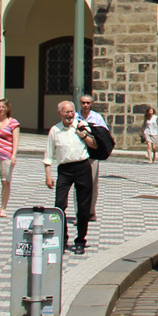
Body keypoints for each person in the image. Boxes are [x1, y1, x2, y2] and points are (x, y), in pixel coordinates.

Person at [44, 100, 97, 255]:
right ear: (59, 113)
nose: (70, 115)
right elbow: (48, 154)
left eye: (72, 111)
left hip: (82, 167)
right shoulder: (55, 130)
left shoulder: (81, 125)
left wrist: (84, 135)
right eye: (66, 112)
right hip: (65, 169)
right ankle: (63, 237)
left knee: (83, 208)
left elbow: (94, 144)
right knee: (59, 205)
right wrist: (48, 175)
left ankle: (80, 240)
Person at [76, 94, 107, 220]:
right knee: (79, 185)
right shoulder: (75, 117)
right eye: (83, 102)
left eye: (88, 103)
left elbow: (104, 133)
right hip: (78, 154)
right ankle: (80, 213)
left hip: (92, 154)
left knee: (93, 184)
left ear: (91, 104)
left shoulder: (97, 117)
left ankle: (91, 211)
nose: (85, 105)